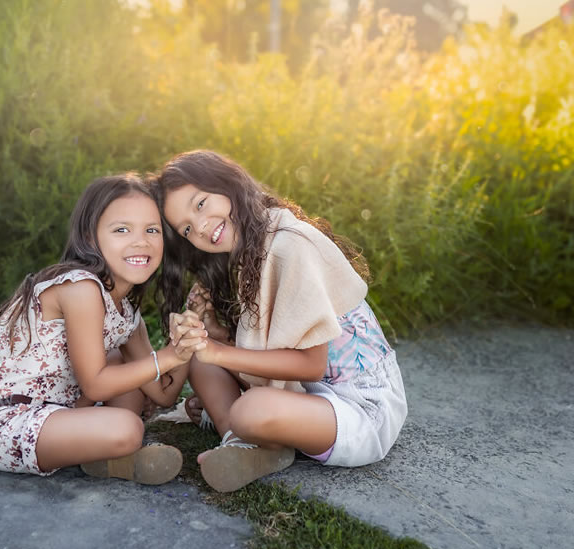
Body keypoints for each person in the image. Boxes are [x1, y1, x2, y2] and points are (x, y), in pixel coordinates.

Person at [154, 150, 408, 492]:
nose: (199, 227)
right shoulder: (250, 250)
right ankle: (241, 443)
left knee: (249, 409)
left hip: (358, 406)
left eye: (200, 204)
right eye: (186, 229)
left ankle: (244, 427)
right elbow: (270, 345)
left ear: (227, 185)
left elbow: (310, 365)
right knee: (205, 366)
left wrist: (219, 352)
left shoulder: (289, 244)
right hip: (309, 397)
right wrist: (213, 338)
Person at [0, 173, 207, 485]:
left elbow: (163, 393)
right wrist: (169, 356)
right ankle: (113, 450)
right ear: (90, 238)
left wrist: (189, 332)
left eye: (152, 230)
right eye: (121, 230)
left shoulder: (127, 312)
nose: (140, 241)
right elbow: (96, 387)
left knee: (128, 368)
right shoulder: (81, 288)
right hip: (2, 421)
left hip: (61, 410)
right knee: (128, 427)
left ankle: (105, 457)